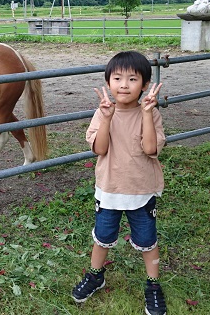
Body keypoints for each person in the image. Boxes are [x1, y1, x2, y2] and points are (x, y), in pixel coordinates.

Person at [71, 51, 167, 315]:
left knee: (148, 239)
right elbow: (99, 149)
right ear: (108, 82)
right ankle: (95, 276)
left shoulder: (152, 114)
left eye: (132, 79)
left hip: (141, 190)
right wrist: (107, 117)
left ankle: (153, 285)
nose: (124, 85)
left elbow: (150, 149)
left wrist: (148, 113)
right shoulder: (102, 113)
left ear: (145, 85)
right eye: (117, 78)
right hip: (109, 190)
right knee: (102, 238)